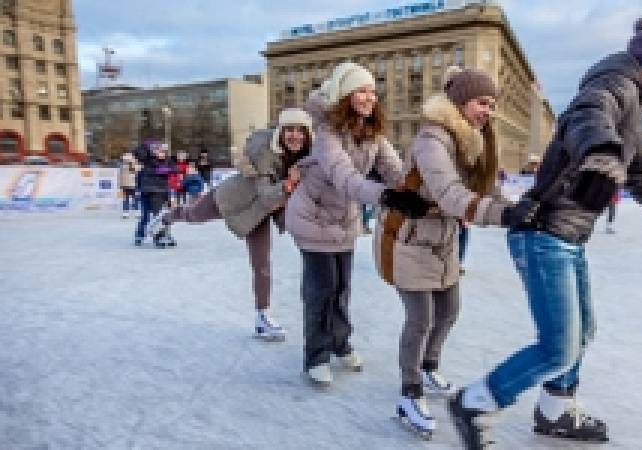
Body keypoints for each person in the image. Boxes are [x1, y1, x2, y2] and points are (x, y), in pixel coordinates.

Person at [448, 17, 642, 449]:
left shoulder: (632, 110)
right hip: (543, 232)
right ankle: (475, 402)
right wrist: (600, 153)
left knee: (582, 333)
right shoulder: (615, 84)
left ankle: (556, 410)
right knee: (558, 347)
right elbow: (589, 115)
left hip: (566, 237)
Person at [374, 66, 541, 438]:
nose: (489, 111)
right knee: (419, 319)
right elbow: (450, 195)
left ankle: (429, 366)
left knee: (449, 311)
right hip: (407, 236)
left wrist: (516, 207)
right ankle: (409, 391)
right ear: (461, 102)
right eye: (482, 103)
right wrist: (505, 216)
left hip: (441, 239)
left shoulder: (471, 141)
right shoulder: (433, 140)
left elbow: (486, 190)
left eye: (492, 104)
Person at [285, 62, 431, 387]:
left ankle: (339, 342)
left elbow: (395, 171)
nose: (369, 98)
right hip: (313, 218)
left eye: (372, 92)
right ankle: (317, 355)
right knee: (321, 290)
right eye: (361, 91)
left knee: (342, 288)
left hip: (344, 221)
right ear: (345, 94)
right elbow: (346, 180)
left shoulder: (371, 133)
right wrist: (389, 199)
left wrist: (422, 193)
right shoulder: (326, 133)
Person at [147, 108, 313, 340]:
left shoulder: (307, 156)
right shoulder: (265, 153)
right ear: (281, 132)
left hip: (259, 213)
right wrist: (289, 184)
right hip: (233, 199)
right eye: (290, 130)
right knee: (193, 214)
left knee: (261, 262)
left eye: (300, 131)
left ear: (308, 134)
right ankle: (165, 218)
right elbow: (267, 195)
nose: (295, 136)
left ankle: (262, 316)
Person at [133, 142, 175, 247]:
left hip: (160, 192)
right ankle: (141, 235)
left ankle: (163, 236)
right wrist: (148, 144)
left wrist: (164, 170)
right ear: (153, 152)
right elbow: (138, 153)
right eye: (158, 151)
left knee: (160, 215)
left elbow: (174, 169)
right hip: (148, 192)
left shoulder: (167, 162)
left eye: (162, 151)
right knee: (146, 215)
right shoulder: (148, 161)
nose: (162, 153)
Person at [118, 153, 140, 219]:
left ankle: (125, 213)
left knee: (126, 199)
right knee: (135, 199)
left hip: (125, 185)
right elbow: (139, 173)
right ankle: (137, 212)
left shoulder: (122, 166)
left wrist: (120, 184)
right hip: (133, 184)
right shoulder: (135, 166)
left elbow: (120, 176)